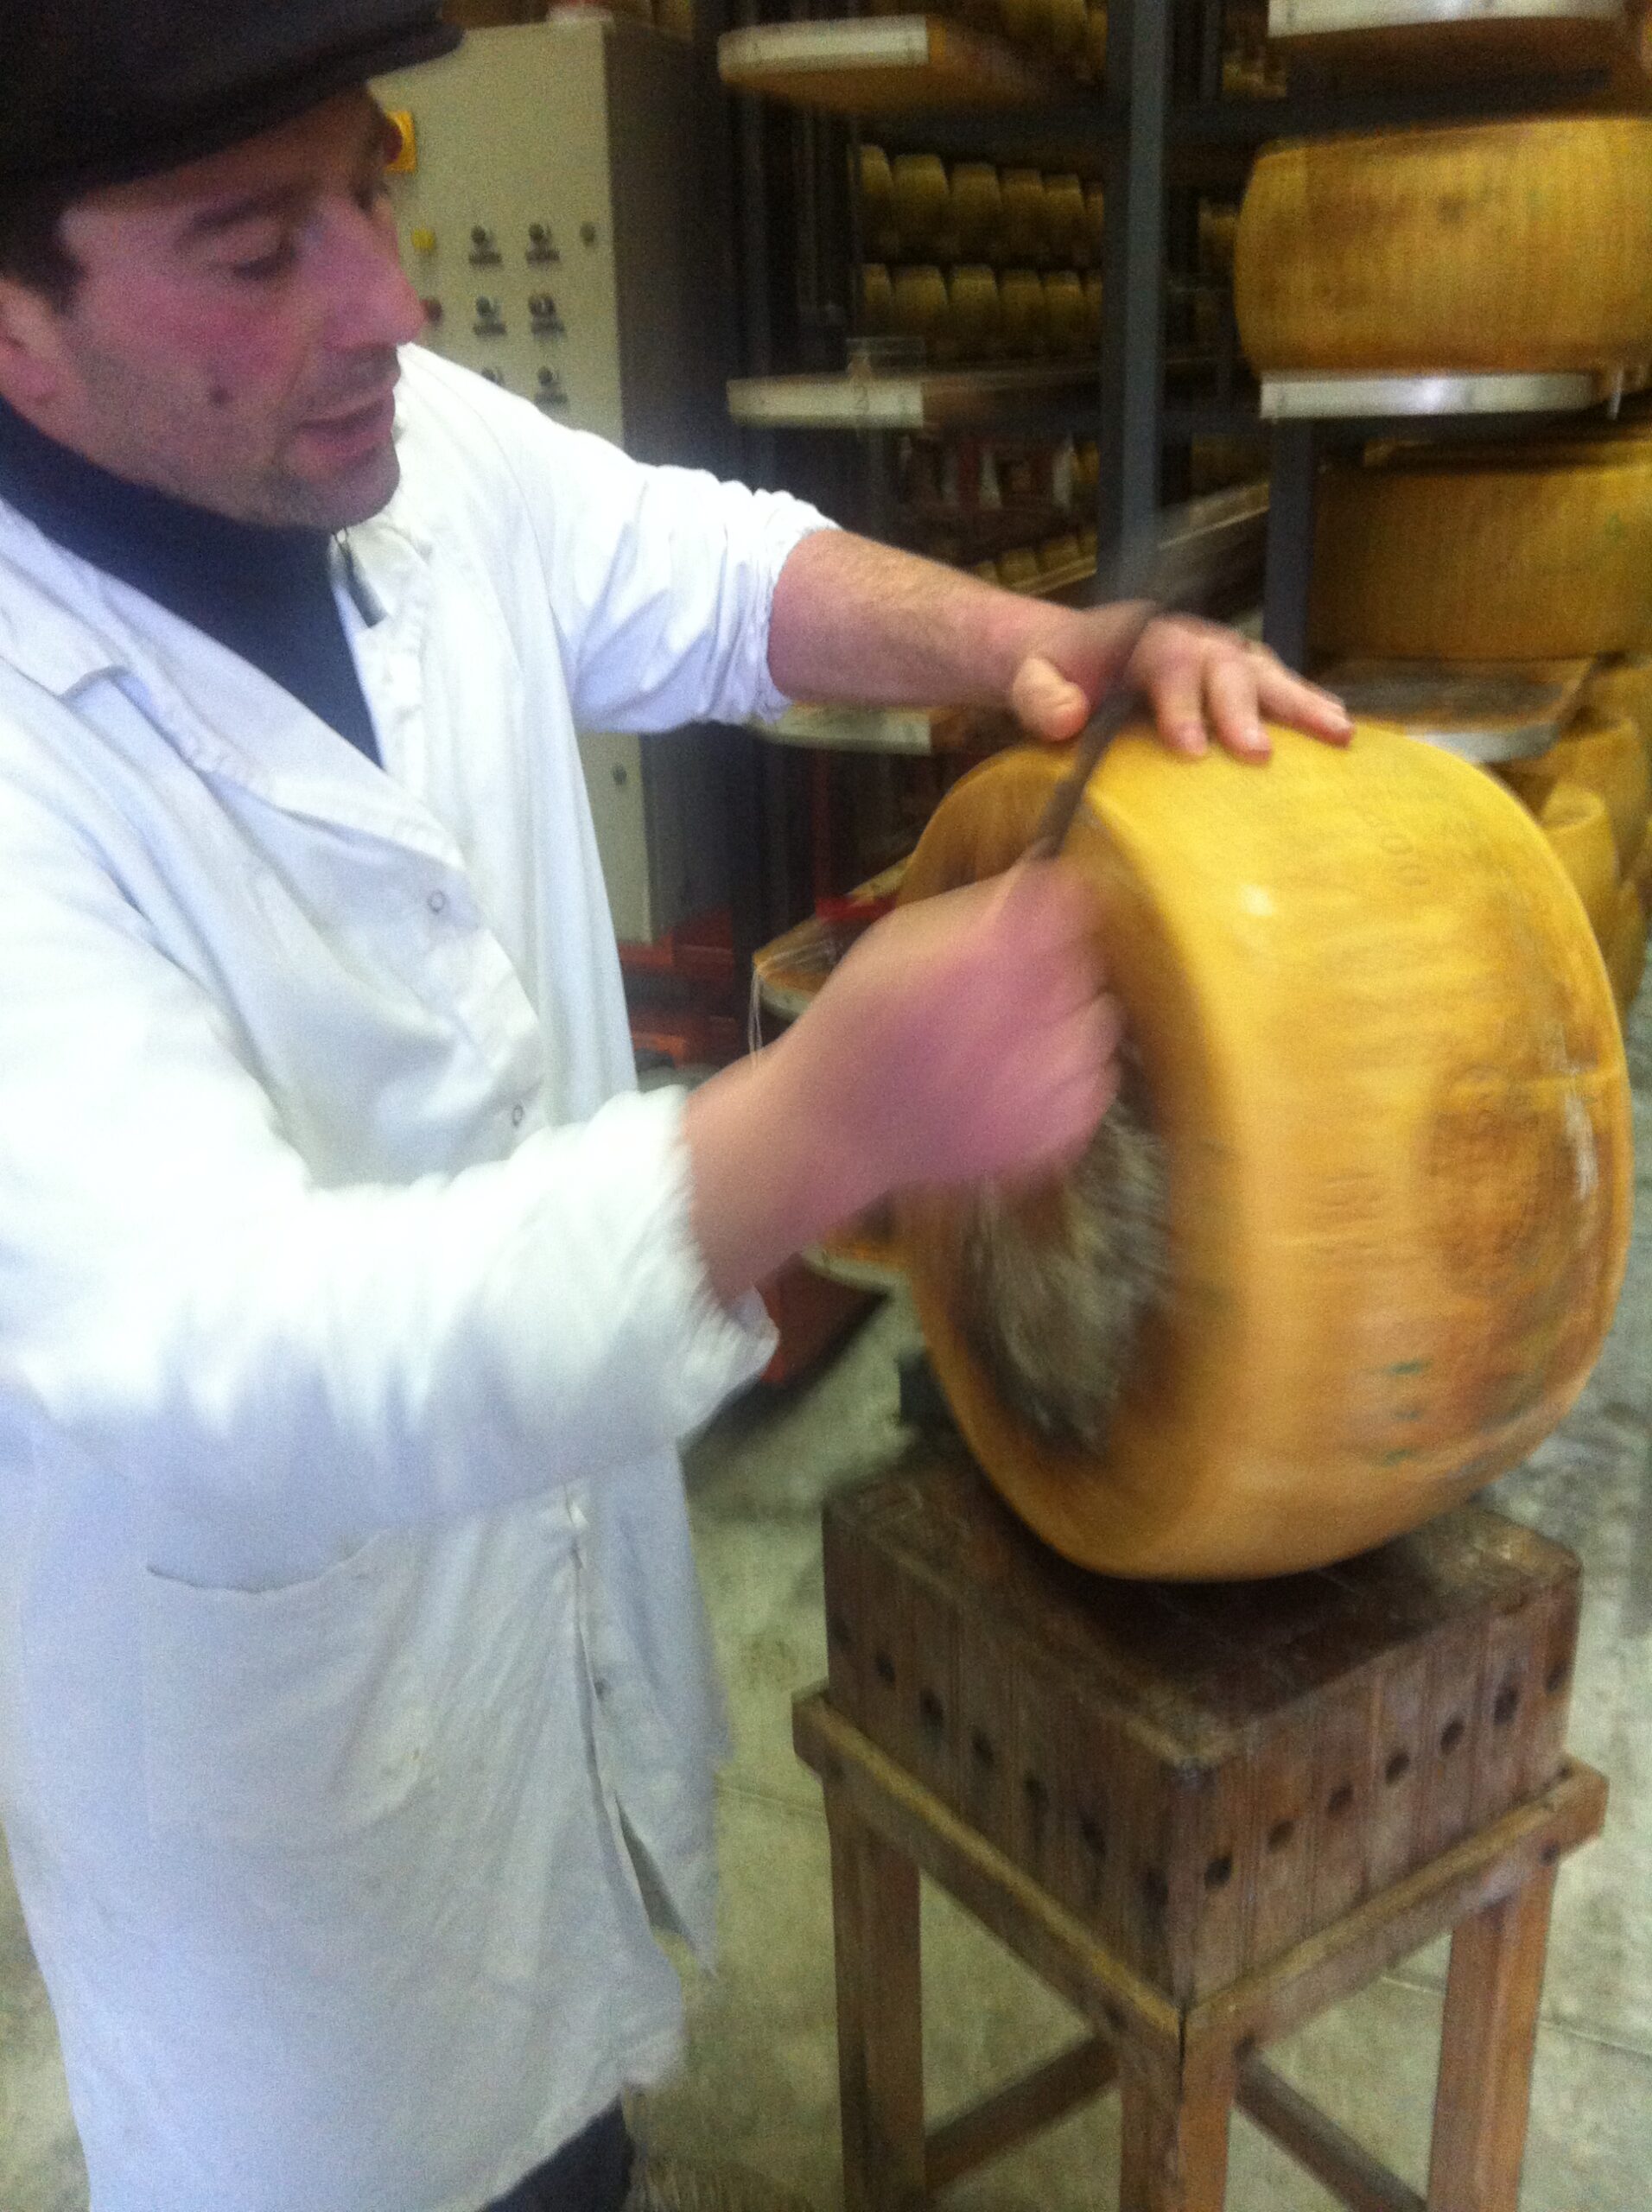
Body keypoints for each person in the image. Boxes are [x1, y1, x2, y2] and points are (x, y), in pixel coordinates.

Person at [0, 7, 1351, 2209]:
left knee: (574, 2090)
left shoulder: (390, 439)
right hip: (274, 1805)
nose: (387, 300)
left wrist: (1031, 646)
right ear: (20, 326)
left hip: (528, 1633)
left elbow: (688, 563)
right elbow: (229, 1351)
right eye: (255, 250)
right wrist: (822, 1119)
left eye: (373, 184)